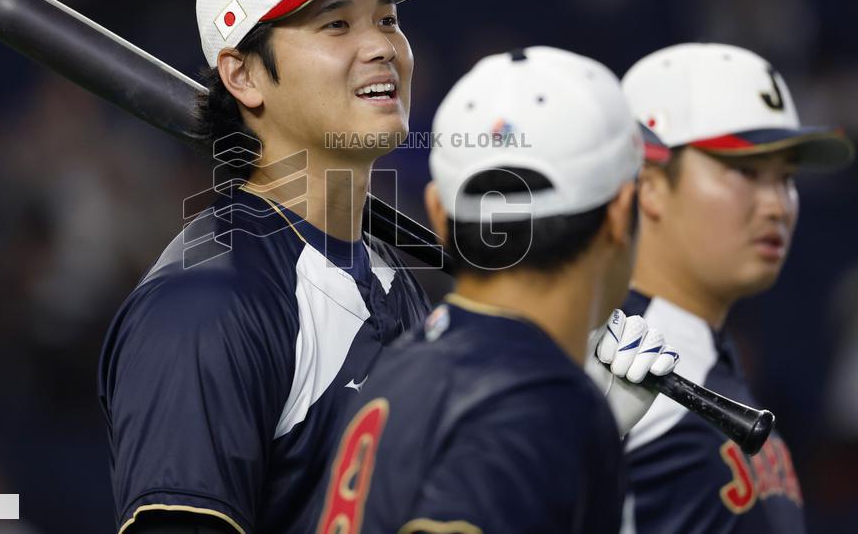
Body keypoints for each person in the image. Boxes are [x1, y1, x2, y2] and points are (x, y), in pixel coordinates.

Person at [97, 0, 437, 534]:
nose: (383, 46)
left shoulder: (389, 279)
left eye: (387, 19)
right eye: (336, 24)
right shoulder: (204, 306)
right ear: (243, 75)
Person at [313, 47, 680, 533]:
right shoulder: (539, 404)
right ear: (620, 213)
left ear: (439, 215)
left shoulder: (394, 367)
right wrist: (567, 426)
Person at [619, 42, 855, 533]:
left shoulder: (701, 355)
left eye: (786, 177)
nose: (778, 205)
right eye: (745, 171)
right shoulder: (612, 373)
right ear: (651, 183)